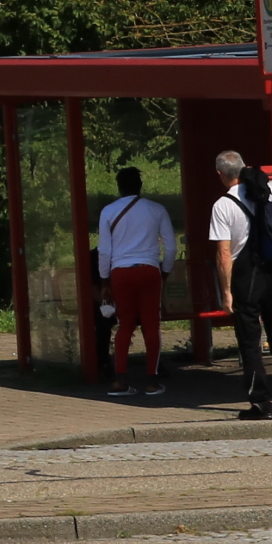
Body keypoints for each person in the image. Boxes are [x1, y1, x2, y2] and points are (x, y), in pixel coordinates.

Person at [211, 150, 272, 420]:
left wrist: (226, 292)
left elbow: (223, 254)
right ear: (243, 167)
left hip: (244, 277)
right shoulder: (270, 191)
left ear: (220, 174)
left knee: (250, 342)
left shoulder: (222, 205)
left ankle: (261, 404)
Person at [93, 167, 176, 398]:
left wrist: (104, 281)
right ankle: (152, 381)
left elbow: (104, 251)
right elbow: (170, 247)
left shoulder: (108, 211)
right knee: (151, 325)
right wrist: (165, 272)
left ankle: (120, 380)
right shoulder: (157, 209)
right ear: (140, 186)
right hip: (149, 270)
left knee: (124, 325)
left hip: (120, 272)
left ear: (119, 187)